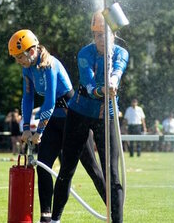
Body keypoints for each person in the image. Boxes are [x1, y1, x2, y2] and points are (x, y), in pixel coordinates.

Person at [8, 29, 106, 223]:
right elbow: (27, 99)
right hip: (54, 120)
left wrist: (39, 131)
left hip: (74, 118)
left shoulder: (50, 64)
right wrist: (26, 127)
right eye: (16, 58)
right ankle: (46, 218)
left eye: (20, 56)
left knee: (92, 170)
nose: (18, 61)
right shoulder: (27, 70)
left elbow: (50, 102)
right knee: (43, 165)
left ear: (32, 50)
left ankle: (115, 210)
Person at [50, 10, 129, 223]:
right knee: (67, 168)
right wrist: (102, 90)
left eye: (105, 34)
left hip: (107, 116)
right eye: (97, 35)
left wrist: (113, 80)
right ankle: (55, 219)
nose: (101, 39)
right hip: (79, 114)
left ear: (114, 34)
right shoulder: (84, 53)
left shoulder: (121, 53)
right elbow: (88, 83)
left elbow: (118, 69)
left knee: (111, 173)